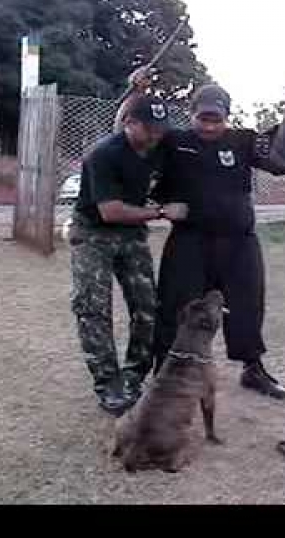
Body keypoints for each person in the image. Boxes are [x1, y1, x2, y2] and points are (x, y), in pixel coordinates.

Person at [116, 69, 285, 400]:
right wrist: (134, 91)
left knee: (247, 306)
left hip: (240, 242)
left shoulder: (244, 140)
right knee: (174, 308)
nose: (210, 127)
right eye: (203, 119)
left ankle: (252, 369)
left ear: (228, 116)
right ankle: (164, 372)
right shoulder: (173, 141)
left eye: (217, 120)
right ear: (191, 113)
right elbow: (127, 137)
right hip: (189, 241)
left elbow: (283, 161)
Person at [70, 93, 187, 416]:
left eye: (160, 128)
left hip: (131, 234)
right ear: (129, 124)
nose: (156, 134)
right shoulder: (102, 155)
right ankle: (108, 384)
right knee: (93, 308)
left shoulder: (158, 145)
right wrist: (163, 211)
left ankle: (134, 375)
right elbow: (110, 212)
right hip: (93, 232)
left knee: (148, 305)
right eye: (149, 128)